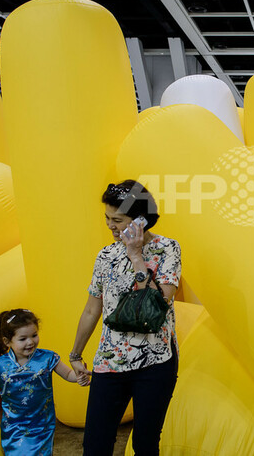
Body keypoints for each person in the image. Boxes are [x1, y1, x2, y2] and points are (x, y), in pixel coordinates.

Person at [70, 180, 181, 456]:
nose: (110, 225)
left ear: (141, 219)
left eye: (117, 220)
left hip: (155, 363)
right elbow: (92, 309)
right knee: (95, 446)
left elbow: (157, 305)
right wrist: (75, 354)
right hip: (111, 362)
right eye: (107, 218)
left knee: (145, 445)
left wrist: (136, 256)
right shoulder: (106, 255)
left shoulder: (168, 249)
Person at [0, 308, 88, 455]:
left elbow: (67, 374)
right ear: (7, 341)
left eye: (34, 335)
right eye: (23, 339)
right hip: (14, 425)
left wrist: (78, 377)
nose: (30, 342)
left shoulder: (47, 358)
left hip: (42, 423)